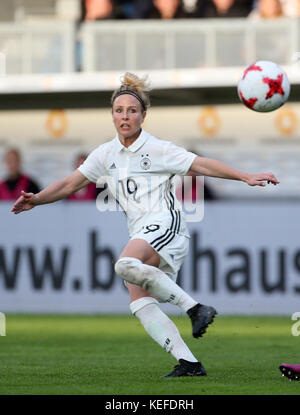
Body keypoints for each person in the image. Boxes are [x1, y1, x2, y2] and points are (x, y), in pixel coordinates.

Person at [11, 73, 279, 377]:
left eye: (132, 110)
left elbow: (200, 165)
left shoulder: (158, 148)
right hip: (142, 231)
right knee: (139, 301)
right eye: (119, 110)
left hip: (168, 225)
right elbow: (70, 184)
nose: (125, 116)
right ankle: (189, 364)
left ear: (143, 115)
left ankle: (195, 308)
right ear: (112, 115)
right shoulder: (105, 154)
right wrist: (37, 199)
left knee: (124, 264)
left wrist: (245, 176)